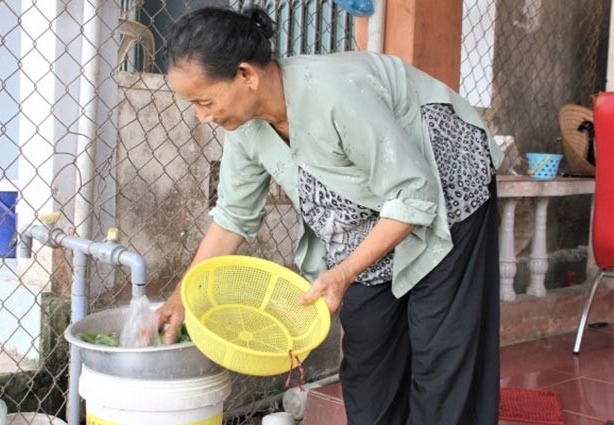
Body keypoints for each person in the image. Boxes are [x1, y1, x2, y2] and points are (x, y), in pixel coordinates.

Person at [155, 5, 503, 425]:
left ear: (246, 75)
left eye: (204, 101)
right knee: (369, 360)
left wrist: (343, 273)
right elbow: (232, 217)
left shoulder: (333, 95)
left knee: (441, 351)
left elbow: (413, 191)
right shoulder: (245, 129)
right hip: (367, 211)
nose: (203, 116)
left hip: (446, 187)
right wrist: (183, 295)